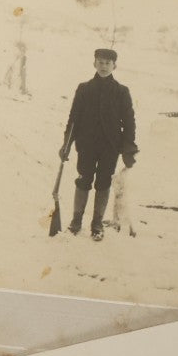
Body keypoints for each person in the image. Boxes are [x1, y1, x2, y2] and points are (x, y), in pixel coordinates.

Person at [58, 47, 138, 241]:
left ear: (114, 66)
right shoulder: (84, 89)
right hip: (86, 145)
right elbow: (73, 119)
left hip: (110, 147)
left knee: (103, 183)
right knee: (84, 179)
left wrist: (128, 149)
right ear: (94, 63)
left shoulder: (121, 92)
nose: (103, 66)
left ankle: (97, 223)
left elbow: (129, 122)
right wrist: (66, 143)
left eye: (107, 63)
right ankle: (76, 221)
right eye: (100, 62)